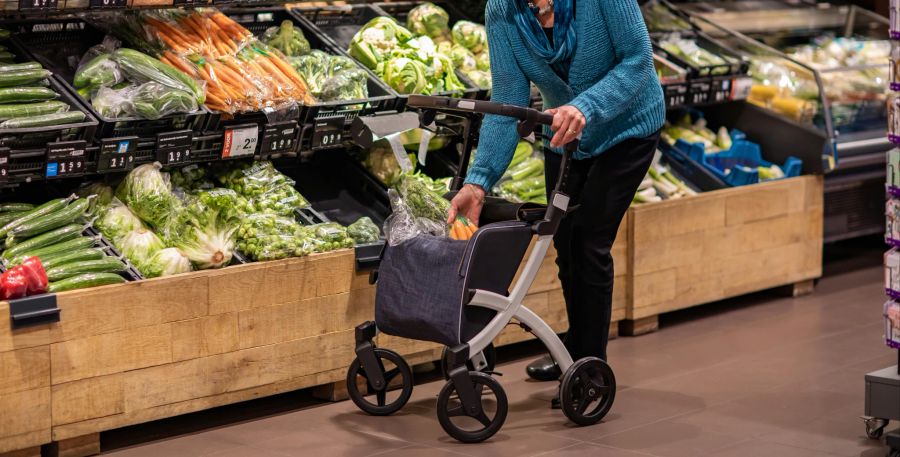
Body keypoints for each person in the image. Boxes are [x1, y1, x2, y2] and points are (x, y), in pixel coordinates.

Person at [447, 0, 666, 406]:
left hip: (628, 129)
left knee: (590, 243)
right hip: (565, 139)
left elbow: (638, 60)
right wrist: (478, 182)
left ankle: (590, 366)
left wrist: (585, 105)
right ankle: (572, 351)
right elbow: (508, 99)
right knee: (564, 243)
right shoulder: (502, 11)